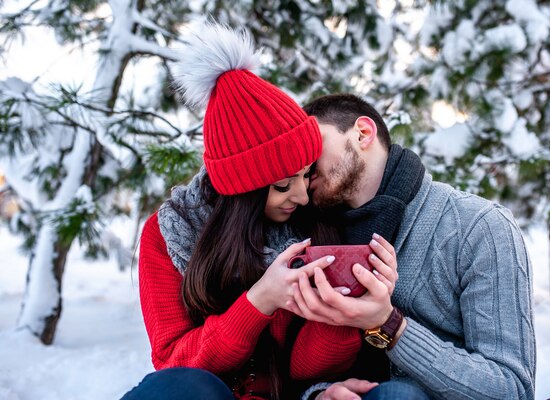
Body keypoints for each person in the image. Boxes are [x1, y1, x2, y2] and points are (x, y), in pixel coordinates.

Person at [122, 24, 398, 400]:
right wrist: (259, 302)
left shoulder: (311, 223)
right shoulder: (171, 233)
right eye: (283, 185)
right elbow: (173, 365)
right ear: (242, 193)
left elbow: (305, 368)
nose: (302, 196)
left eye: (306, 176)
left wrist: (346, 307)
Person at [285, 94, 536, 400]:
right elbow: (290, 367)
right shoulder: (313, 235)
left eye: (314, 142)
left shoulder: (478, 226)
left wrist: (389, 326)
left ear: (363, 133)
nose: (306, 163)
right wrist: (318, 395)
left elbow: (512, 390)